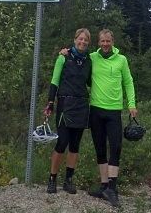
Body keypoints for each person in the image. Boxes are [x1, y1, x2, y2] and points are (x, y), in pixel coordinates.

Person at [84, 29, 137, 207]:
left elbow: (128, 82)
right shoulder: (92, 58)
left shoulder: (121, 60)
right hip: (96, 109)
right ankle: (104, 186)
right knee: (100, 149)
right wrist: (65, 52)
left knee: (115, 147)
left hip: (114, 110)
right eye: (102, 41)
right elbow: (76, 57)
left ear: (113, 42)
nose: (105, 44)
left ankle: (112, 189)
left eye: (108, 41)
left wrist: (132, 104)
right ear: (98, 43)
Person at [44, 28, 93, 194]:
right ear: (75, 40)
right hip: (65, 104)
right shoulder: (63, 57)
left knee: (74, 145)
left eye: (86, 40)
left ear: (88, 43)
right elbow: (54, 81)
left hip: (81, 105)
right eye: (80, 39)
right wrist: (50, 102)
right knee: (62, 142)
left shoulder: (89, 60)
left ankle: (68, 181)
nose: (82, 42)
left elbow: (92, 81)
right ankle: (52, 178)